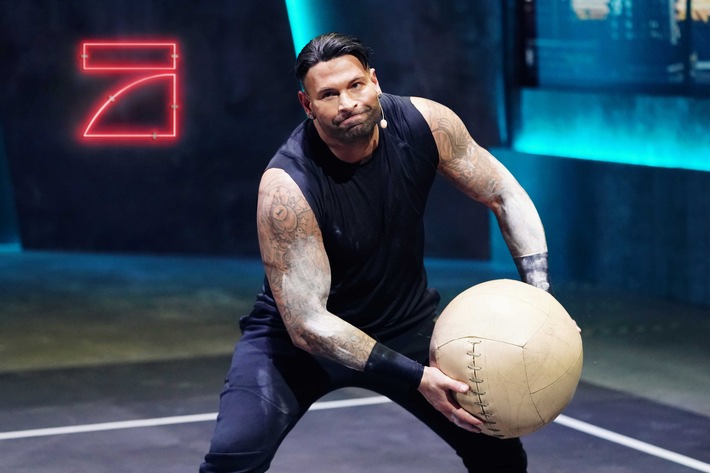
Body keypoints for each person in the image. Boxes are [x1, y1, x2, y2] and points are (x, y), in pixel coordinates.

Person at [200, 32, 552, 473]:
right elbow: (308, 324)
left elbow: (504, 193)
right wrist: (416, 377)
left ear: (375, 81)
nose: (347, 103)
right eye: (328, 94)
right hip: (298, 344)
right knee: (232, 456)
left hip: (404, 324)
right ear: (307, 105)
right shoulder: (287, 187)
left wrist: (540, 297)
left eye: (355, 85)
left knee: (497, 451)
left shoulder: (425, 124)